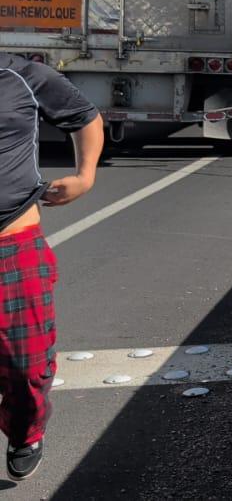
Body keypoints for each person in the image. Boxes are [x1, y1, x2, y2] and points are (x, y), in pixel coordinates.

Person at [0, 53, 102, 481]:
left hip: (12, 242)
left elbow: (84, 115)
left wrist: (85, 176)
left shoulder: (21, 76)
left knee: (25, 366)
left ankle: (26, 431)